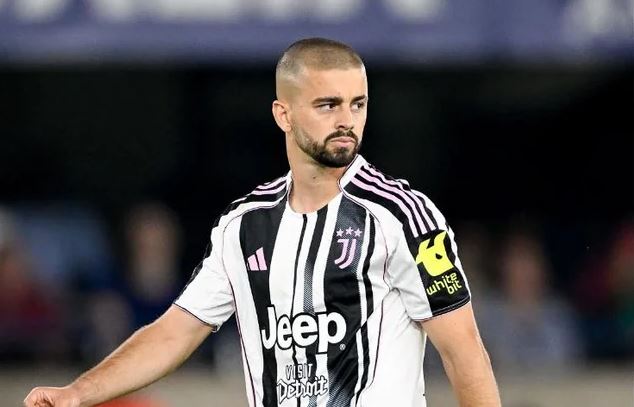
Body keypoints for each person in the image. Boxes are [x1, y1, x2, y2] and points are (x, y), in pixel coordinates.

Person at [25, 38, 500, 407]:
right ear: (283, 114)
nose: (347, 120)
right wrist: (78, 392)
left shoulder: (403, 215)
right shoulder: (244, 224)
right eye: (328, 105)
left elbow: (464, 352)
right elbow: (175, 332)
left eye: (358, 104)